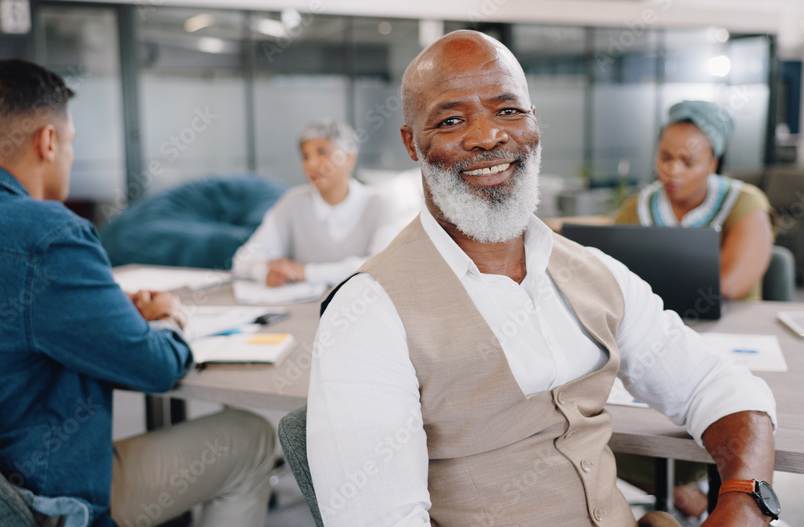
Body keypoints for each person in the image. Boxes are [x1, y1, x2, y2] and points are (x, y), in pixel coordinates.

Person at [306, 31, 779, 527]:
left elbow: (717, 384)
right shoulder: (369, 314)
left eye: (508, 111)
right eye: (451, 120)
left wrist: (744, 504)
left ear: (534, 122)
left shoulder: (595, 272)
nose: (488, 137)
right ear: (411, 143)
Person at [0, 59, 275, 527]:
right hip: (39, 500)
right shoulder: (50, 235)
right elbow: (154, 368)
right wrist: (168, 318)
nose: (69, 155)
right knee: (248, 439)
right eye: (70, 143)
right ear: (48, 141)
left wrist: (106, 312)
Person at [613, 100, 774, 300]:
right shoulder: (640, 205)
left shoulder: (745, 203)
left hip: (733, 327)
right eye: (665, 158)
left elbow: (729, 286)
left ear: (712, 164)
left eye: (688, 162)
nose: (673, 171)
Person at [232, 118, 399, 287]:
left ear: (349, 158)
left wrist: (305, 273)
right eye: (305, 156)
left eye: (322, 152)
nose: (311, 164)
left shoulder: (379, 204)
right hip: (303, 311)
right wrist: (265, 272)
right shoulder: (292, 203)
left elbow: (383, 267)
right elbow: (242, 260)